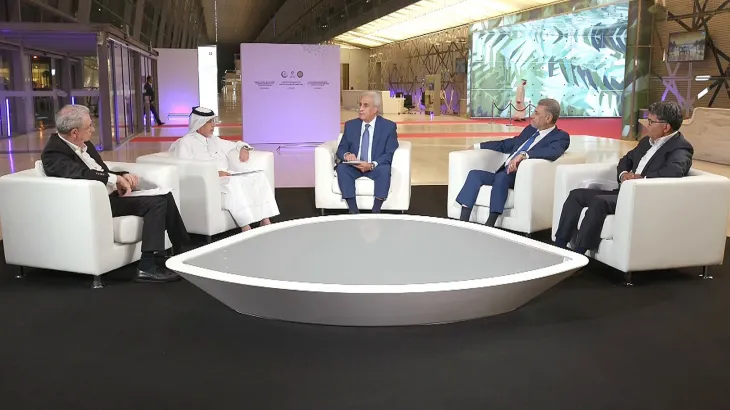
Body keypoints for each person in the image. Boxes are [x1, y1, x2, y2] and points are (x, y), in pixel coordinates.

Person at [41, 104, 189, 283]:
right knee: (156, 203)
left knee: (165, 196)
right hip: (93, 203)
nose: (93, 130)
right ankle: (147, 267)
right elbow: (81, 174)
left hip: (109, 196)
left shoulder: (84, 144)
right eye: (89, 126)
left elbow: (100, 171)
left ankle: (184, 253)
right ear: (74, 132)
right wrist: (115, 180)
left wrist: (122, 176)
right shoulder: (53, 153)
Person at [554, 101, 694, 253]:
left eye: (650, 122)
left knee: (599, 201)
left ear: (666, 127)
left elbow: (674, 172)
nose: (646, 126)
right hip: (623, 192)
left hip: (643, 197)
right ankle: (559, 246)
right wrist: (623, 174)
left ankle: (579, 253)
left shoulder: (680, 147)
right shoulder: (646, 142)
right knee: (576, 195)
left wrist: (641, 180)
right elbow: (625, 160)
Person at [456, 98, 570, 227]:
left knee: (502, 178)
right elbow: (507, 144)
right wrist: (478, 146)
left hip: (520, 176)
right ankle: (463, 221)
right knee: (475, 175)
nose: (532, 116)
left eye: (537, 113)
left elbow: (552, 152)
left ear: (548, 118)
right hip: (504, 172)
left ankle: (490, 223)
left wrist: (524, 155)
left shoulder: (560, 137)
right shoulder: (530, 130)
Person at [171, 106, 279, 231]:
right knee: (234, 183)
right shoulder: (186, 142)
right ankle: (245, 226)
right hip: (208, 181)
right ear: (199, 124)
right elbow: (185, 168)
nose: (213, 125)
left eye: (213, 121)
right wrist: (215, 173)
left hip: (226, 176)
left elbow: (236, 144)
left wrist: (243, 149)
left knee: (258, 176)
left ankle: (265, 220)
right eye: (209, 122)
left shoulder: (214, 140)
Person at [335, 91, 399, 214]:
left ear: (375, 109)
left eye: (365, 105)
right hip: (355, 166)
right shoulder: (351, 125)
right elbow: (341, 149)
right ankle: (353, 210)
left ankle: (376, 211)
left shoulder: (388, 127)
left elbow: (389, 153)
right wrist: (347, 155)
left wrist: (371, 165)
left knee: (385, 169)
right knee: (342, 168)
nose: (361, 109)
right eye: (360, 105)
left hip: (375, 166)